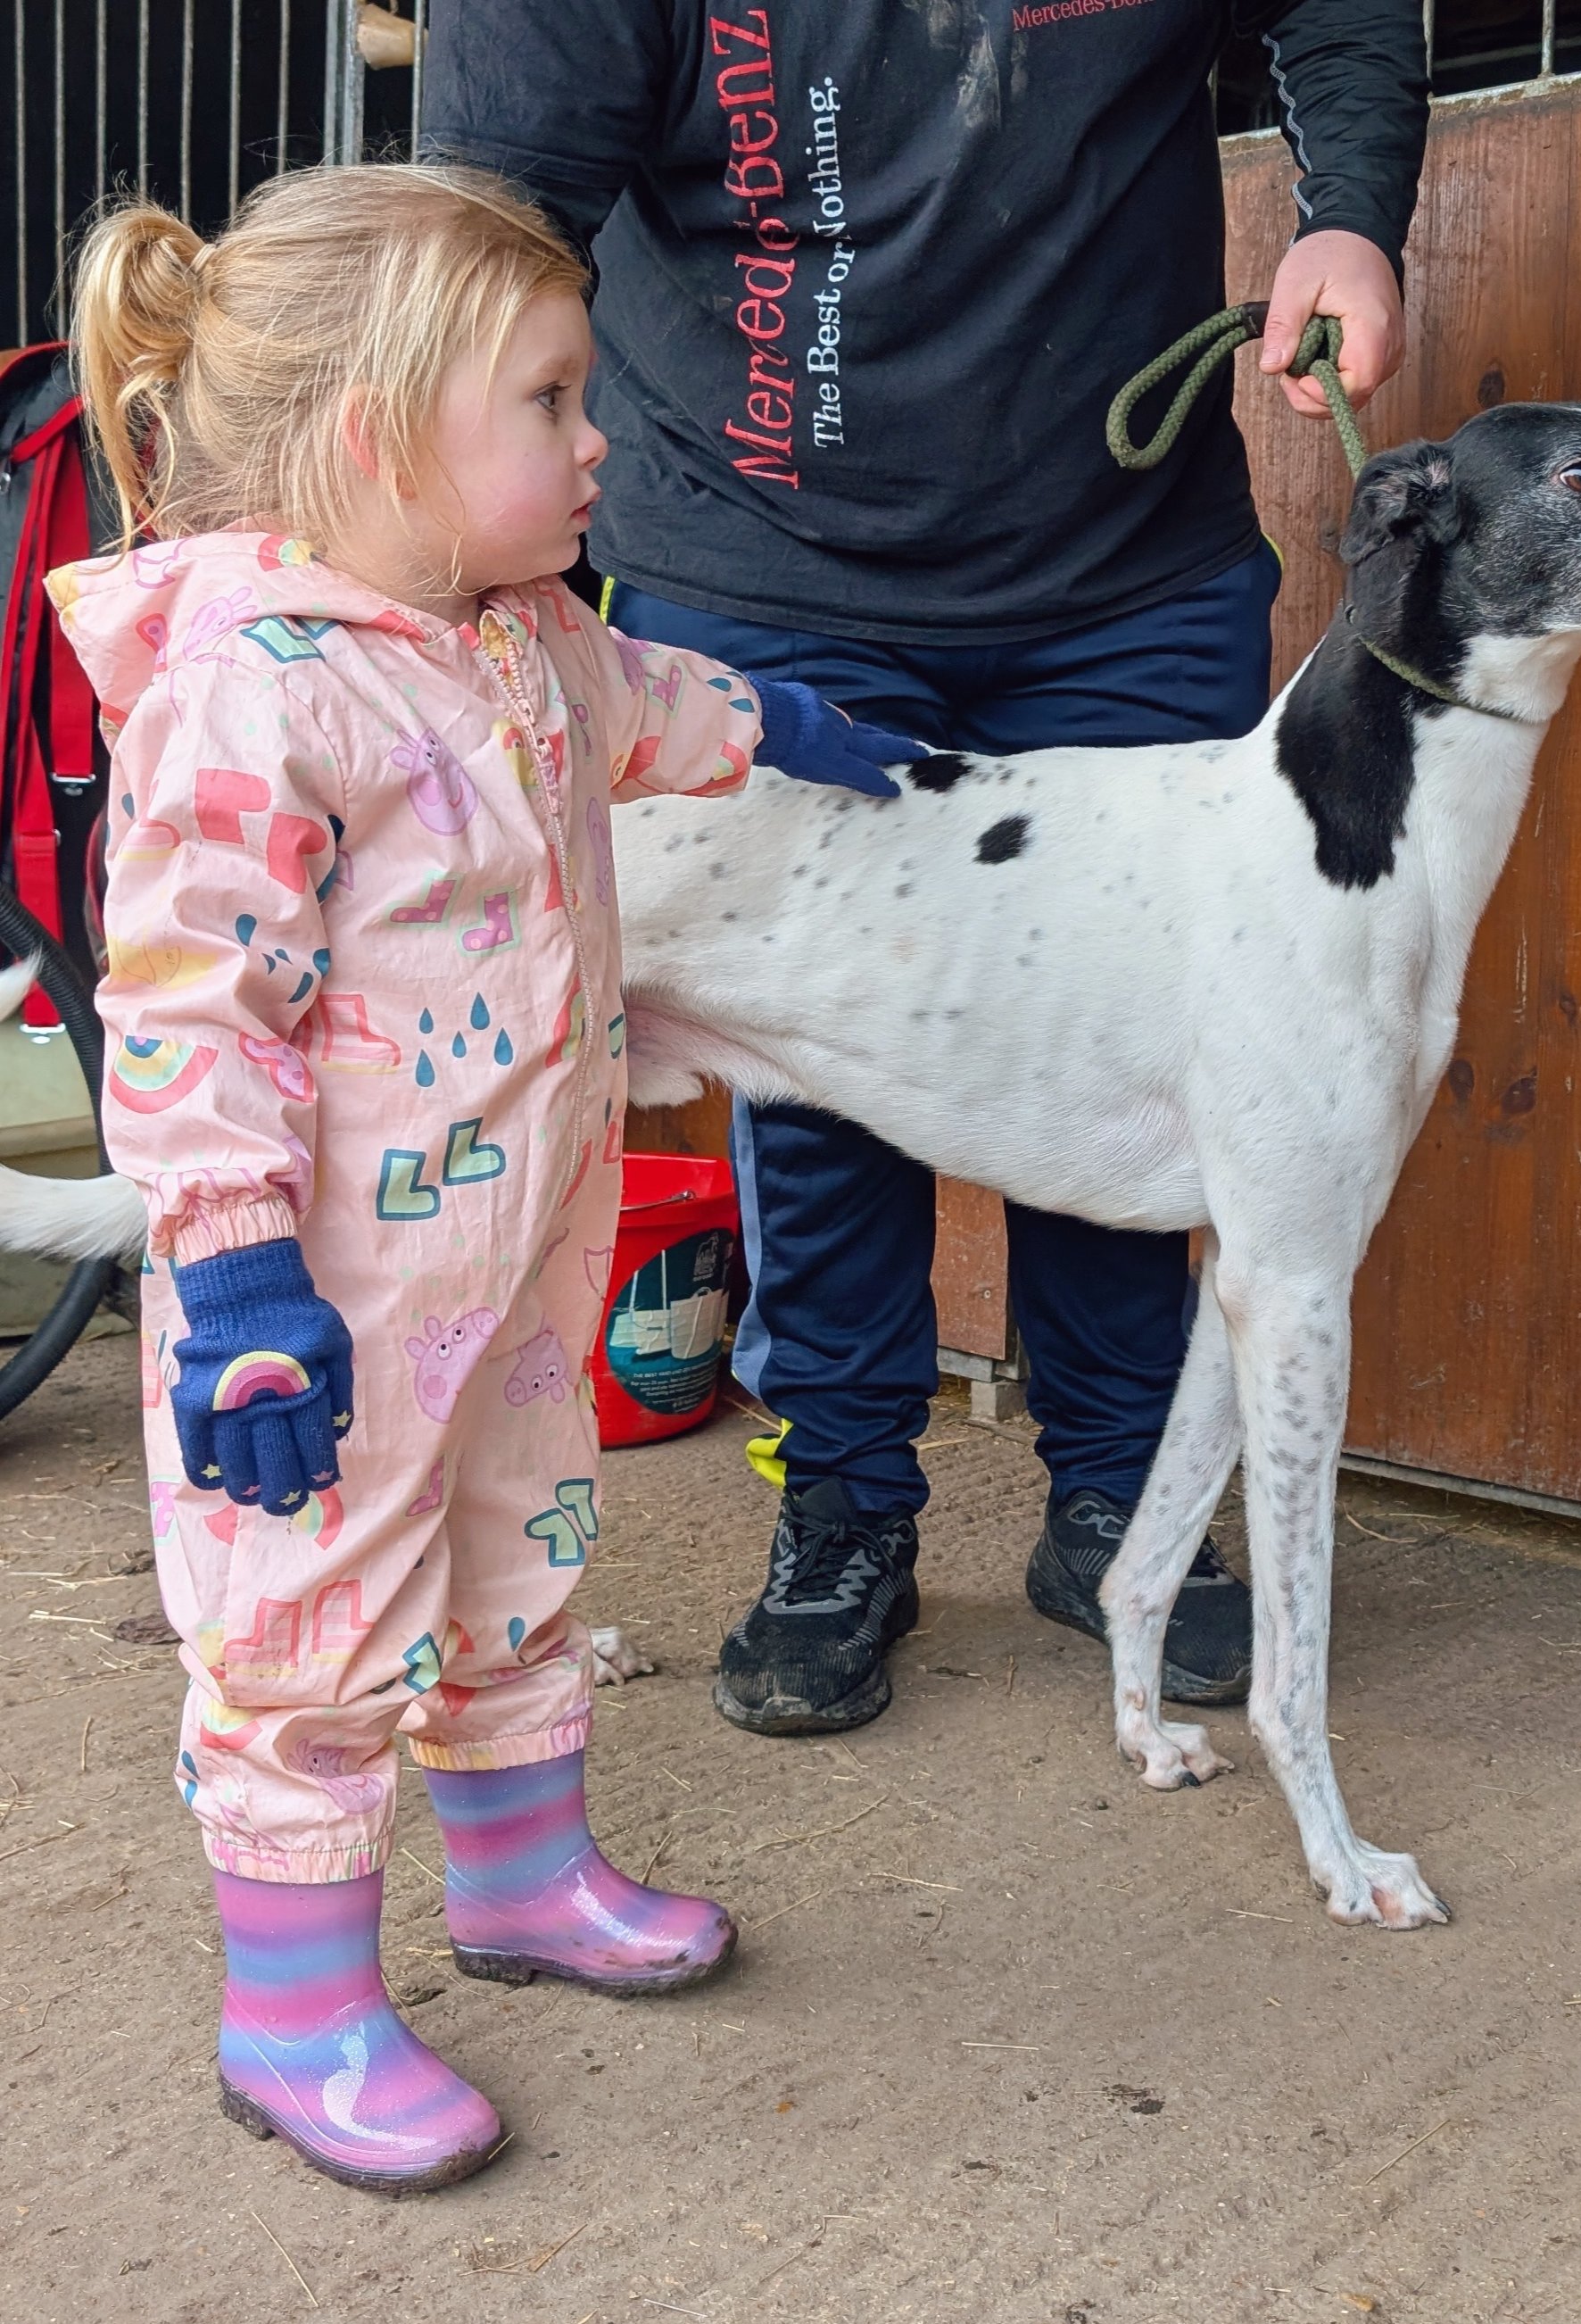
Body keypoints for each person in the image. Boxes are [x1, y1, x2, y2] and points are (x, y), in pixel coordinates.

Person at [425, 0, 1430, 1738]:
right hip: (759, 549)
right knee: (817, 1062)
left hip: (1116, 553)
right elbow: (479, 237)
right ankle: (842, 1508)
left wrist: (1347, 205)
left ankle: (1118, 1494)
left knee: (1134, 1022)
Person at [60, 162, 919, 2193]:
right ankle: (292, 2013)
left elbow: (644, 712)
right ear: (380, 442)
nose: (596, 433)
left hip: (521, 1240)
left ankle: (523, 1880)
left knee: (521, 1546)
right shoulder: (259, 689)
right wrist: (240, 1273)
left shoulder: (520, 636)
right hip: (321, 1296)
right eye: (547, 399)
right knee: (313, 1618)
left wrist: (787, 724)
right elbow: (188, 1008)